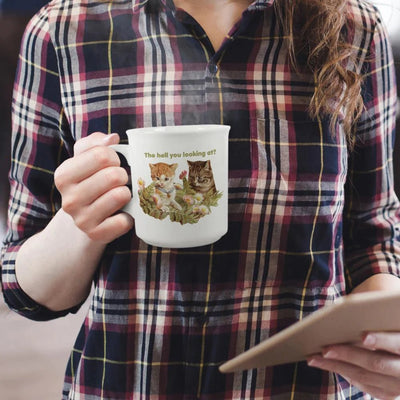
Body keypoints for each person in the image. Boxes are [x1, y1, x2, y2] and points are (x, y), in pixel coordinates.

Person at [1, 0, 400, 398]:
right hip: (125, 385)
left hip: (304, 386)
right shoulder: (62, 30)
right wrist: (81, 223)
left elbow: (373, 238)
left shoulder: (355, 29)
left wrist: (385, 339)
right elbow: (25, 290)